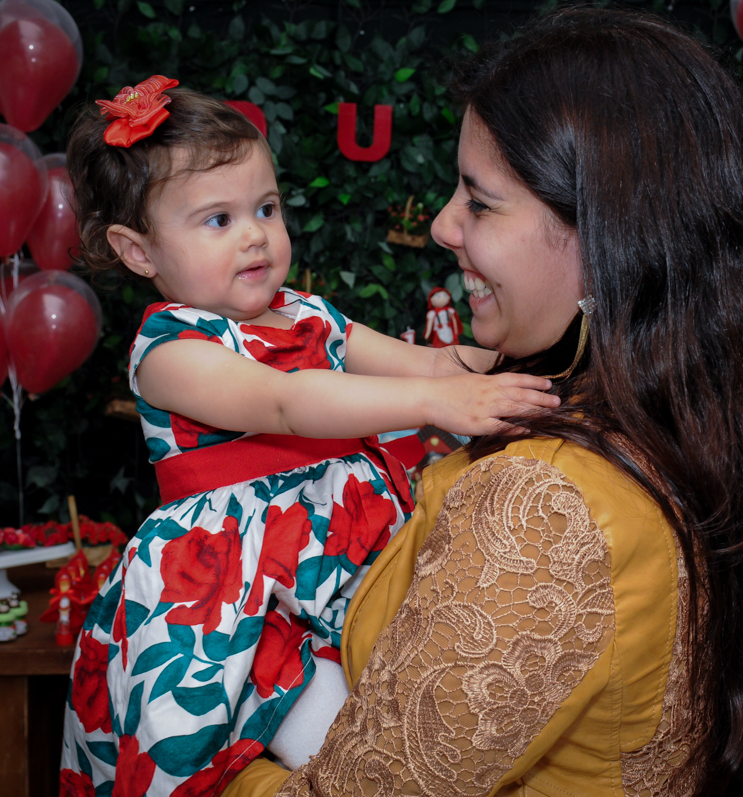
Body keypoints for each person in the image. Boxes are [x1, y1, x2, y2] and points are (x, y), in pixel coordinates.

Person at [224, 7, 743, 797]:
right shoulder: (676, 431)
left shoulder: (545, 505)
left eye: (480, 200)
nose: (441, 226)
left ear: (612, 237)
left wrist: (201, 762)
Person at [58, 79, 558, 796]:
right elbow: (286, 401)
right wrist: (442, 400)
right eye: (217, 220)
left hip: (343, 565)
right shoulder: (168, 350)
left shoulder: (307, 314)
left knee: (427, 717)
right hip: (242, 603)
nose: (256, 233)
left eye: (265, 208)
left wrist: (554, 367)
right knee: (357, 753)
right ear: (138, 252)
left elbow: (431, 360)